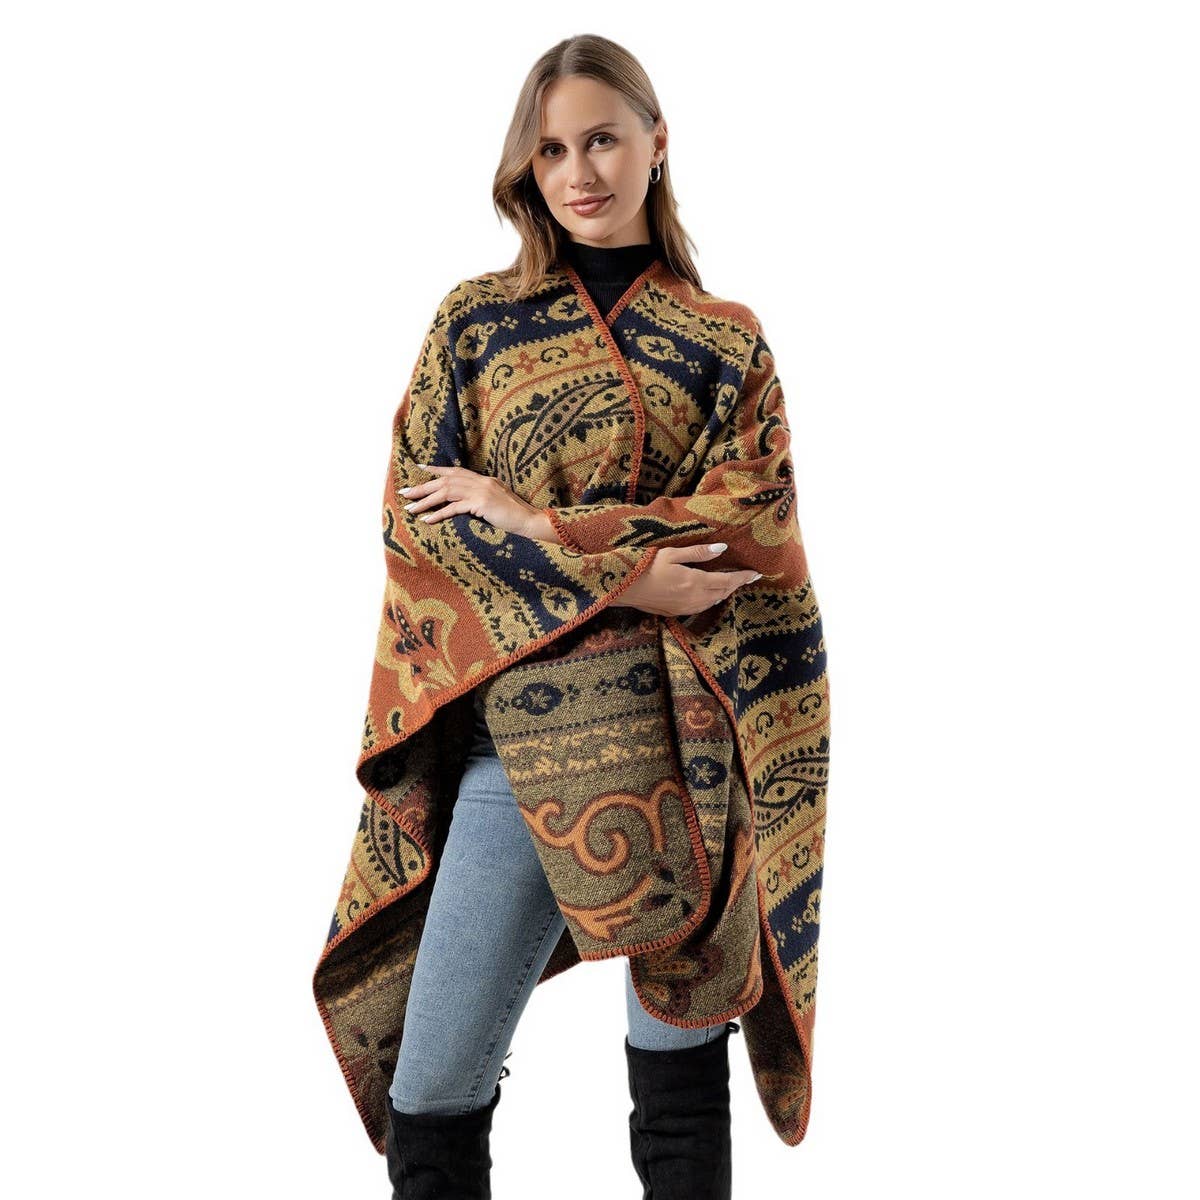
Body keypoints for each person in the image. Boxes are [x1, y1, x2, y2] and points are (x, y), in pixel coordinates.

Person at [313, 31, 831, 1200]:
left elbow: (749, 530)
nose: (579, 171)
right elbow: (422, 533)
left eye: (601, 138)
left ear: (657, 141)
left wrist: (536, 523)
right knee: (432, 1093)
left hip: (689, 753)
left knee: (679, 1095)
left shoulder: (725, 337)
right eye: (550, 150)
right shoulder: (476, 325)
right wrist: (634, 577)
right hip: (516, 753)